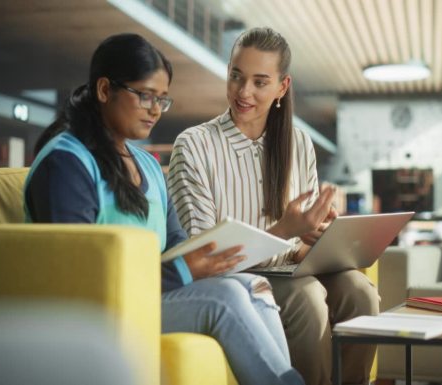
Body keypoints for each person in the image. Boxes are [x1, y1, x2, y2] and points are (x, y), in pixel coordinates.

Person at [24, 33, 303, 385]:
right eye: (144, 96)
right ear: (104, 90)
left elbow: (175, 243)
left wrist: (197, 263)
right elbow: (81, 277)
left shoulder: (148, 166)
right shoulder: (67, 163)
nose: (155, 109)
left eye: (161, 99)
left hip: (146, 293)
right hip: (95, 308)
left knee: (254, 286)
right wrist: (185, 271)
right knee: (225, 297)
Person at [168, 27, 380, 385]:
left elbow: (300, 247)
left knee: (361, 294)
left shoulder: (298, 143)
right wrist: (285, 231)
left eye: (259, 82)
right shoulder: (194, 146)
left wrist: (320, 240)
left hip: (290, 270)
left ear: (282, 87)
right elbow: (205, 258)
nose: (243, 91)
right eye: (236, 76)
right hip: (233, 280)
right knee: (308, 298)